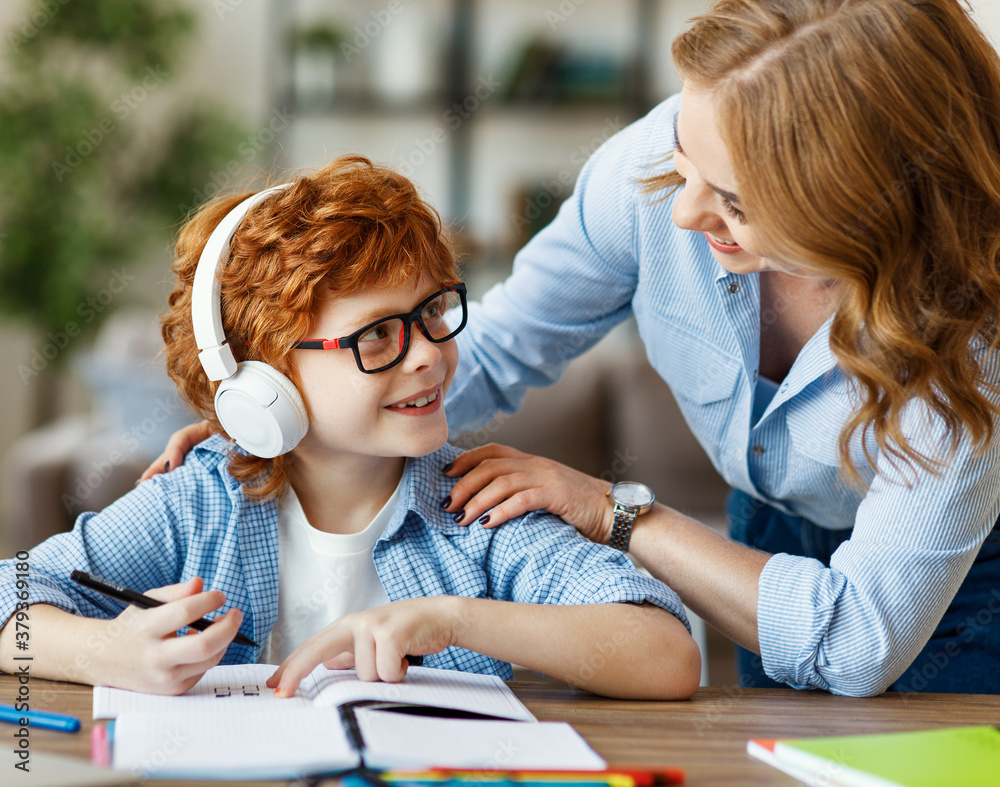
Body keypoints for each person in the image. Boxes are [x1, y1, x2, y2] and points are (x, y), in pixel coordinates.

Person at [148, 0, 1000, 697]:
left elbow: (852, 641)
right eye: (682, 159)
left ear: (865, 209)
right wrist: (294, 431)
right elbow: (496, 347)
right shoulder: (651, 173)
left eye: (736, 202)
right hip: (766, 533)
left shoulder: (976, 345)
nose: (682, 214)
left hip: (957, 584)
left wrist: (611, 511)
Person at [0, 156, 700, 700]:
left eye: (433, 311)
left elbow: (666, 654)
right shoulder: (197, 502)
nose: (427, 351)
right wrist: (109, 651)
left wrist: (454, 619)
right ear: (261, 382)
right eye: (377, 336)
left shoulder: (478, 508)